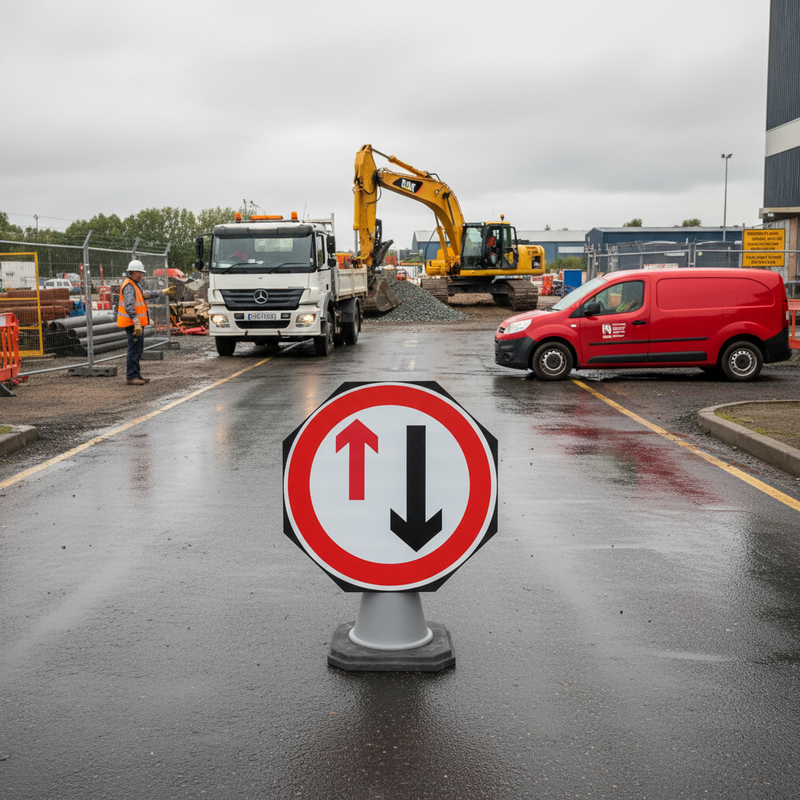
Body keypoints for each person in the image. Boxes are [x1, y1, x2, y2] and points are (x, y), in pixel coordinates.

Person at [116, 260, 175, 385]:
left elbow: (145, 295)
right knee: (134, 350)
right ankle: (131, 376)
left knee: (138, 350)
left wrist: (162, 292)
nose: (141, 275)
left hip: (136, 324)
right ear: (135, 272)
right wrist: (137, 323)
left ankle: (136, 374)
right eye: (140, 273)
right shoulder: (129, 286)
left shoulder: (135, 285)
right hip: (132, 324)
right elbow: (129, 306)